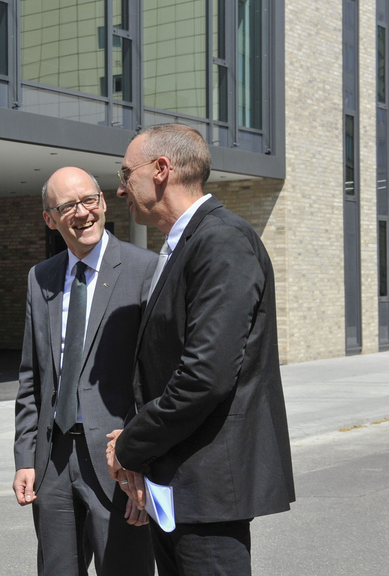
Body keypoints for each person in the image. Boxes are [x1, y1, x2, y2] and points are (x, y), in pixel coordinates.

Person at [107, 123, 295, 575]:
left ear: (161, 170)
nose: (119, 188)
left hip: (209, 493)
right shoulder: (184, 244)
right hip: (180, 488)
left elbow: (204, 376)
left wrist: (131, 443)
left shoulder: (222, 241)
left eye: (125, 172)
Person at [13, 167, 156, 576]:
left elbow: (154, 378)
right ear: (49, 218)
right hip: (53, 461)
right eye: (68, 206)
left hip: (118, 462)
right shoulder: (40, 277)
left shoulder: (143, 270)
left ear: (104, 202)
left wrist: (143, 461)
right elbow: (31, 378)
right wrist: (26, 458)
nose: (82, 213)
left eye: (89, 200)